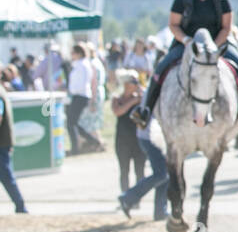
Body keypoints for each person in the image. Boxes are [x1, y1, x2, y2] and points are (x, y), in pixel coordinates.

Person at [130, 0, 238, 127]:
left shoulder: (221, 0)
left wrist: (214, 46)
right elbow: (173, 25)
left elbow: (226, 27)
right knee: (161, 68)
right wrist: (186, 40)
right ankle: (145, 111)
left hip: (217, 44)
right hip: (187, 44)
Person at [116, 74, 169, 221]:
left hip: (153, 136)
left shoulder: (154, 90)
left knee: (165, 174)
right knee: (162, 174)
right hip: (151, 136)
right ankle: (128, 198)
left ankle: (160, 211)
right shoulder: (156, 91)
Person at [110, 69, 147, 192]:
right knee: (124, 170)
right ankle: (126, 196)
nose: (136, 84)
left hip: (138, 139)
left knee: (140, 170)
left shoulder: (142, 98)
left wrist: (140, 99)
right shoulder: (117, 99)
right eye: (134, 82)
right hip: (122, 140)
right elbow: (118, 111)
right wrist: (133, 101)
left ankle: (138, 196)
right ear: (126, 84)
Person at [65, 43, 103, 154]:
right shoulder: (82, 64)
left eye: (73, 53)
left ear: (79, 53)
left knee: (71, 123)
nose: (71, 55)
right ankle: (92, 141)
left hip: (80, 95)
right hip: (80, 95)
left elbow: (80, 83)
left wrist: (71, 91)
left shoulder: (82, 65)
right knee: (73, 123)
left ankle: (77, 147)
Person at [0, 82, 29, 214]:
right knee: (6, 176)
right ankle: (20, 205)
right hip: (3, 142)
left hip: (1, 143)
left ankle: (20, 206)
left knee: (6, 176)